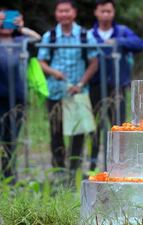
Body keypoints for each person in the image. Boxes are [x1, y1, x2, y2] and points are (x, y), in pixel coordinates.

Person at [38, 0, 98, 177]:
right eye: (60, 11)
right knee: (56, 130)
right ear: (56, 14)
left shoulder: (85, 35)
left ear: (74, 13)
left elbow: (94, 62)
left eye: (67, 11)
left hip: (77, 91)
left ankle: (74, 169)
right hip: (56, 90)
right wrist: (53, 72)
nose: (64, 14)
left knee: (77, 131)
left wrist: (81, 83)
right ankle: (58, 169)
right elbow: (41, 61)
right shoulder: (50, 36)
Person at [89, 0, 143, 171]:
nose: (105, 14)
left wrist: (118, 42)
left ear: (113, 13)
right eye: (102, 11)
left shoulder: (122, 31)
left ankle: (117, 164)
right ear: (96, 12)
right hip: (96, 85)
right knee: (95, 125)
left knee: (117, 125)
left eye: (108, 11)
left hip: (117, 86)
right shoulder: (90, 34)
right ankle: (92, 163)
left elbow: (139, 44)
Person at [0, 4, 40, 181]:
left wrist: (21, 27)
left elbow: (37, 38)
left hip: (17, 97)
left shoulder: (20, 41)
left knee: (12, 137)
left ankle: (9, 174)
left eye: (7, 19)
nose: (4, 24)